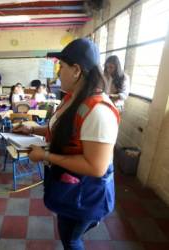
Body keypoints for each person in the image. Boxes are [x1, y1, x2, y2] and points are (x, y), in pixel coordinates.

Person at [13, 38, 120, 250]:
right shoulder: (71, 98)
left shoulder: (98, 112)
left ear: (76, 70)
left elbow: (96, 167)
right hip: (70, 186)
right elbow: (65, 131)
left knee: (71, 239)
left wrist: (45, 156)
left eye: (61, 67)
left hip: (85, 194)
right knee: (67, 230)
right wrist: (34, 129)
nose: (58, 73)